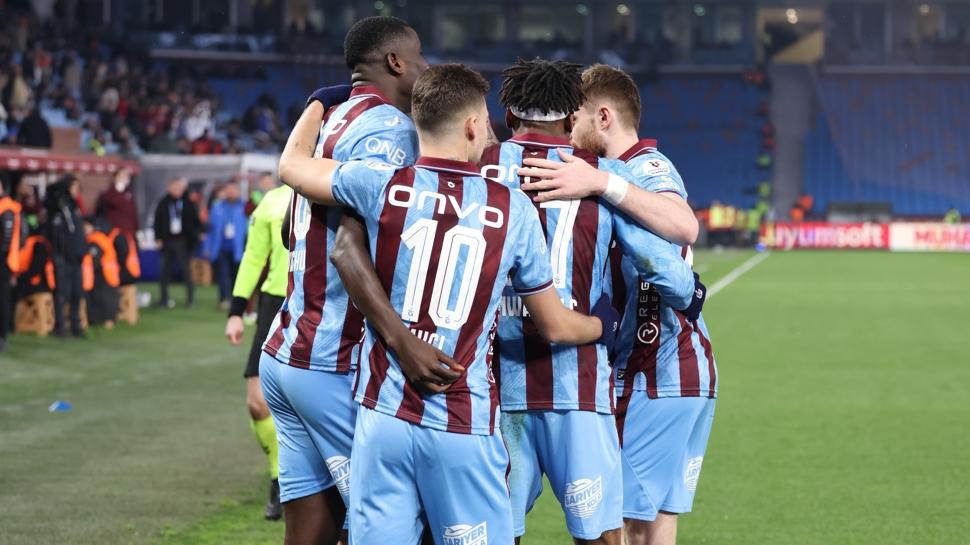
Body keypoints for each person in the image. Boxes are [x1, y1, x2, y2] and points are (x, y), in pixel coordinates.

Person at [281, 62, 619, 545]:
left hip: (383, 415)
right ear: (472, 125)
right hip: (462, 415)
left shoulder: (380, 185)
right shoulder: (511, 207)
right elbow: (555, 325)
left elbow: (293, 169)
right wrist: (603, 324)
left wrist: (318, 101)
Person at [463, 59, 697, 545]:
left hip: (493, 391)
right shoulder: (599, 174)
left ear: (509, 114)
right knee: (601, 537)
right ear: (572, 117)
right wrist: (685, 294)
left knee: (495, 532)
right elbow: (669, 275)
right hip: (579, 387)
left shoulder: (476, 166)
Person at [259, 16, 433, 545]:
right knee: (391, 522)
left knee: (310, 529)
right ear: (395, 62)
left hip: (287, 352)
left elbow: (294, 229)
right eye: (419, 57)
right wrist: (403, 343)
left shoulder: (331, 120)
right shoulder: (390, 131)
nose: (425, 68)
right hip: (333, 359)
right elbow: (347, 249)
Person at [547, 64, 718, 545]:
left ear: (603, 117)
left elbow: (683, 224)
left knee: (621, 522)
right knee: (652, 524)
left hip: (659, 369)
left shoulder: (646, 167)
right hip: (670, 371)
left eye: (575, 117)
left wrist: (603, 183)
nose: (568, 129)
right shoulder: (613, 173)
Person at [224, 181, 292, 521]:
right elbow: (254, 256)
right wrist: (236, 311)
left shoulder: (336, 190)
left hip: (324, 301)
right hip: (274, 304)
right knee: (256, 401)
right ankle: (279, 476)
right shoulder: (273, 201)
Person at [45, 175, 87, 338]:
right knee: (62, 294)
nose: (77, 190)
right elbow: (57, 233)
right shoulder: (58, 207)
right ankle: (61, 326)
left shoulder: (74, 206)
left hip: (76, 257)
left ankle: (76, 324)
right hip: (63, 257)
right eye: (74, 187)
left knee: (76, 293)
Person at [153, 177, 200, 308]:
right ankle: (164, 299)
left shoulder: (188, 203)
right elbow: (157, 221)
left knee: (187, 271)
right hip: (168, 240)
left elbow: (195, 222)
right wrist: (158, 238)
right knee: (164, 271)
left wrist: (197, 235)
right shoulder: (163, 202)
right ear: (169, 188)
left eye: (179, 188)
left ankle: (190, 300)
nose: (177, 190)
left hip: (183, 241)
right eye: (174, 187)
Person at [204, 182, 247, 308]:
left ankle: (236, 300)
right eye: (228, 190)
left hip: (238, 247)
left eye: (233, 190)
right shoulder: (217, 206)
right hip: (221, 247)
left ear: (238, 191)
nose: (231, 192)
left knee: (237, 275)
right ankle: (224, 299)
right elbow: (210, 229)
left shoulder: (244, 207)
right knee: (223, 274)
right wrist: (207, 247)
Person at [81, 218, 121, 327]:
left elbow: (94, 258)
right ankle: (108, 319)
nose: (84, 229)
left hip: (104, 272)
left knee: (103, 297)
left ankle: (104, 319)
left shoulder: (95, 240)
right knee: (109, 296)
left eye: (86, 226)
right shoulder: (100, 237)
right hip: (111, 272)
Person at [0, 182, 22, 351]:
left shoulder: (7, 207)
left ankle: (2, 336)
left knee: (3, 300)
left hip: (4, 261)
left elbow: (6, 239)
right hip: (6, 260)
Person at [96, 168, 139, 237]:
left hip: (129, 232)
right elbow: (111, 203)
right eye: (122, 176)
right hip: (115, 232)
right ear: (115, 177)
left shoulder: (129, 193)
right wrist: (118, 192)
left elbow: (133, 213)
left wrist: (137, 229)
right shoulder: (109, 193)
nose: (124, 178)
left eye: (126, 176)